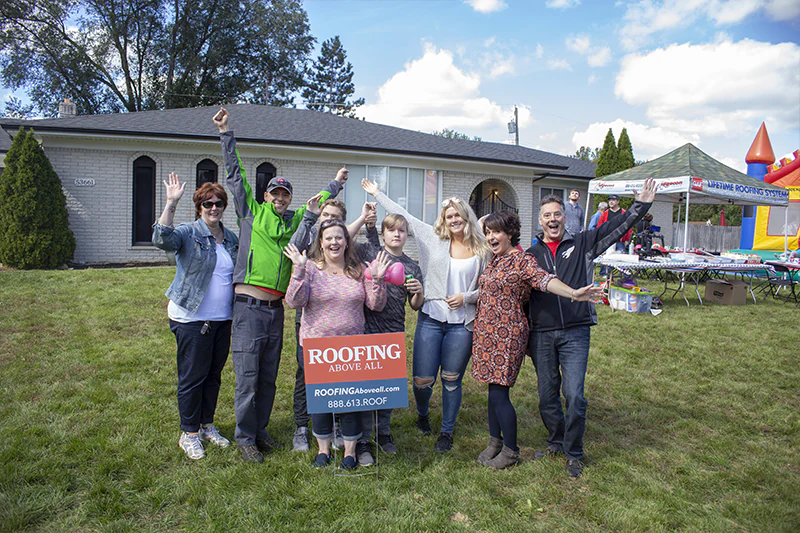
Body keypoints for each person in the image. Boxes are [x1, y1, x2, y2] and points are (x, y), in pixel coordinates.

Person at [213, 108, 349, 463]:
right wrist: (226, 133)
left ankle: (260, 431)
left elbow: (315, 206)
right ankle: (245, 438)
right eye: (274, 193)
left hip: (276, 312)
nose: (279, 198)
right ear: (266, 194)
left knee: (269, 377)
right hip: (248, 308)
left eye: (284, 195)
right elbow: (234, 174)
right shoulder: (250, 214)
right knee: (248, 376)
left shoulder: (293, 227)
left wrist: (335, 185)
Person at [526, 178, 656, 478]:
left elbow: (618, 227)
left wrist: (641, 205)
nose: (553, 219)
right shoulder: (531, 256)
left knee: (574, 394)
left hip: (576, 330)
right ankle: (556, 441)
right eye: (547, 215)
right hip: (542, 333)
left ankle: (574, 452)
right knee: (547, 395)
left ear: (564, 216)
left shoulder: (583, 243)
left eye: (557, 214)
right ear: (540, 220)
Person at [362, 178, 491, 453]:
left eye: (458, 214)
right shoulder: (432, 237)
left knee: (452, 379)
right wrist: (378, 194)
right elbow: (404, 215)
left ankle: (446, 431)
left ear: (466, 215)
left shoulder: (482, 250)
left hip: (462, 325)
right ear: (444, 219)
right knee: (422, 380)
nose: (454, 219)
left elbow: (488, 289)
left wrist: (466, 298)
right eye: (449, 215)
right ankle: (422, 415)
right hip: (431, 319)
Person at [473, 211, 601, 469]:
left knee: (499, 393)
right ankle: (494, 442)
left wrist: (574, 293)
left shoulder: (522, 260)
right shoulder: (494, 260)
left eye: (496, 232)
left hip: (507, 334)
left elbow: (546, 280)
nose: (490, 237)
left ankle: (510, 450)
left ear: (510, 234)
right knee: (492, 391)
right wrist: (485, 223)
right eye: (488, 233)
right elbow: (476, 233)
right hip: (486, 333)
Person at [284, 219, 390, 469]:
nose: (334, 242)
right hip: (317, 348)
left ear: (346, 241)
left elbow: (376, 304)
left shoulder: (359, 269)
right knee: (321, 402)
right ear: (321, 242)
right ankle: (323, 450)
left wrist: (377, 279)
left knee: (350, 402)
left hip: (351, 349)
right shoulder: (309, 268)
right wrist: (298, 270)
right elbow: (294, 301)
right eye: (328, 238)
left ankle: (350, 453)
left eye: (339, 238)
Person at [152, 173, 239, 460]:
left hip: (222, 319)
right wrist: (170, 203)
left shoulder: (231, 238)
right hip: (191, 318)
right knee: (193, 377)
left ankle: (206, 426)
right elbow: (161, 239)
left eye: (219, 203)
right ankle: (188, 433)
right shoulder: (188, 232)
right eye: (207, 204)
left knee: (213, 376)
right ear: (199, 207)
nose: (214, 208)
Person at [358, 213, 424, 461]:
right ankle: (364, 438)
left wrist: (419, 292)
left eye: (402, 231)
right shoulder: (372, 256)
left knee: (387, 387)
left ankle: (383, 433)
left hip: (394, 331)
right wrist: (368, 222)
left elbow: (415, 306)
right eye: (392, 230)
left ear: (407, 235)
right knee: (366, 387)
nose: (397, 234)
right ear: (383, 234)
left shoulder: (412, 266)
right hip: (367, 328)